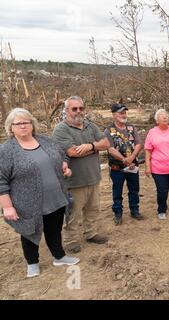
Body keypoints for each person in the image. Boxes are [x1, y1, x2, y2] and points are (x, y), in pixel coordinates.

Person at [0, 108, 80, 278]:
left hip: (55, 197)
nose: (23, 126)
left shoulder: (46, 141)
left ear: (32, 124)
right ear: (11, 127)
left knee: (54, 229)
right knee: (29, 233)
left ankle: (59, 256)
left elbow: (63, 156)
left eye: (26, 122)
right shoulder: (6, 151)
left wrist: (64, 166)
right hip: (27, 203)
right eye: (18, 123)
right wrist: (7, 207)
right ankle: (32, 263)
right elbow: (1, 181)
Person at [53, 96, 110, 253]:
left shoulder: (90, 125)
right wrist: (95, 148)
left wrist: (90, 145)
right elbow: (72, 152)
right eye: (74, 109)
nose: (78, 111)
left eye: (81, 108)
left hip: (93, 177)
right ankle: (70, 240)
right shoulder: (61, 129)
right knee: (73, 213)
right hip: (74, 181)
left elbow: (106, 143)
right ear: (66, 111)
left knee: (93, 209)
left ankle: (90, 233)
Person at [104, 103, 143, 225]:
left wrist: (131, 157)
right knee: (117, 191)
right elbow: (110, 148)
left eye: (124, 112)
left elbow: (138, 144)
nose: (123, 115)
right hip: (117, 167)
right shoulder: (108, 130)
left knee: (134, 189)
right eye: (121, 113)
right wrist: (124, 160)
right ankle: (118, 213)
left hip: (133, 165)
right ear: (114, 115)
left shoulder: (131, 128)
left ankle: (134, 210)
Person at [144, 109, 169, 220]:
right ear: (157, 120)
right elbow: (148, 149)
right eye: (162, 116)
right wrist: (148, 166)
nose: (165, 117)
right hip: (159, 168)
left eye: (166, 116)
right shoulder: (152, 132)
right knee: (162, 190)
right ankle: (162, 210)